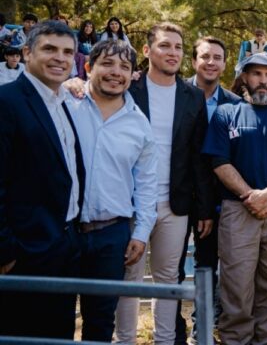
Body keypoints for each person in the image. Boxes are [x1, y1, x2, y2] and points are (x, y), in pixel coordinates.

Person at [114, 22, 216, 345]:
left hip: (176, 204)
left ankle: (165, 341)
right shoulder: (129, 88)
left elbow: (199, 157)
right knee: (128, 277)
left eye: (178, 47)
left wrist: (203, 208)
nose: (173, 53)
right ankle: (125, 340)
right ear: (146, 51)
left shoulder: (193, 96)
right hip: (130, 203)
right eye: (165, 46)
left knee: (168, 280)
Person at [203, 53, 267, 345]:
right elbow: (219, 161)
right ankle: (236, 338)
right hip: (238, 209)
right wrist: (250, 196)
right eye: (256, 74)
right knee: (236, 282)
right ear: (244, 79)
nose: (263, 81)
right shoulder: (225, 114)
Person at [67, 40, 157, 342]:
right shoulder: (64, 105)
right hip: (62, 232)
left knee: (101, 321)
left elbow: (146, 184)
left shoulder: (140, 125)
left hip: (111, 235)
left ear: (133, 75)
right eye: (107, 63)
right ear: (89, 67)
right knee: (54, 315)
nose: (116, 72)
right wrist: (68, 84)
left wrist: (141, 233)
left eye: (125, 67)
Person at [0, 21, 84, 339]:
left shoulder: (63, 103)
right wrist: (5, 251)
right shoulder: (6, 101)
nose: (59, 58)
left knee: (58, 333)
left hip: (64, 246)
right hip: (23, 253)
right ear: (26, 52)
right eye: (49, 49)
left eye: (67, 52)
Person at [175, 36, 243, 344]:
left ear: (225, 63)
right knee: (171, 268)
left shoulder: (235, 104)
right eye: (205, 56)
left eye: (217, 57)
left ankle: (201, 326)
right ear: (193, 61)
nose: (211, 62)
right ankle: (171, 328)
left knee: (207, 265)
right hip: (175, 194)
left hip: (214, 200)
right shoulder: (174, 94)